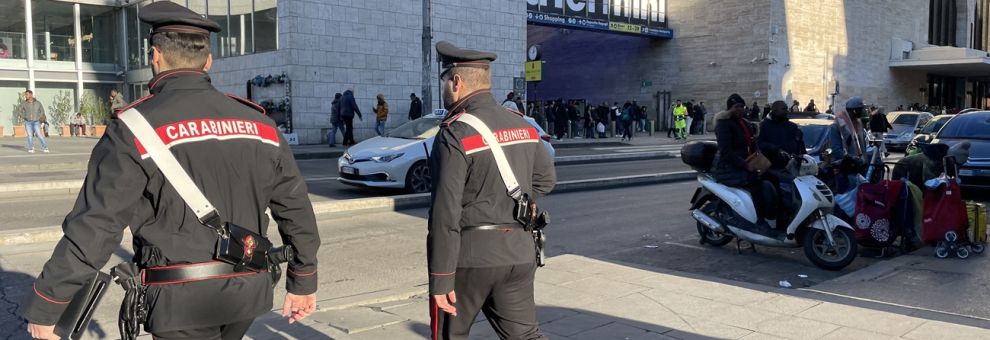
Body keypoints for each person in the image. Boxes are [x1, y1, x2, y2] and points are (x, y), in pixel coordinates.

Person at [19, 3, 321, 340]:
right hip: (248, 291)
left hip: (179, 301)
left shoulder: (133, 128)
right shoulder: (260, 124)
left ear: (155, 56)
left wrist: (49, 303)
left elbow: (96, 225)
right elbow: (295, 206)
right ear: (208, 62)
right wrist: (303, 278)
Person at [428, 40, 556, 340]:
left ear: (456, 82)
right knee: (526, 336)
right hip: (519, 253)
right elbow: (545, 180)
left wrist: (441, 280)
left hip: (469, 260)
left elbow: (445, 213)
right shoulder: (522, 124)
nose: (444, 87)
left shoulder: (455, 133)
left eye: (445, 80)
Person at [714, 94, 767, 217]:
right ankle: (757, 220)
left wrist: (761, 159)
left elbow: (752, 143)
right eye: (736, 106)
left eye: (742, 106)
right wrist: (745, 165)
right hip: (730, 168)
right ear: (729, 108)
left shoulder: (744, 123)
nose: (740, 109)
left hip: (747, 163)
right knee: (756, 186)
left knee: (771, 178)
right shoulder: (724, 124)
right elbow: (725, 151)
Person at [758, 101, 806, 220]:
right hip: (772, 169)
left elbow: (800, 145)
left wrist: (803, 156)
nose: (786, 111)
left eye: (786, 108)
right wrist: (776, 149)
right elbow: (760, 144)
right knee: (778, 199)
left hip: (792, 168)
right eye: (783, 109)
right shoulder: (764, 126)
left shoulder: (792, 127)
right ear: (774, 110)